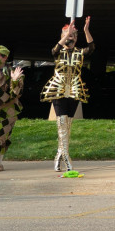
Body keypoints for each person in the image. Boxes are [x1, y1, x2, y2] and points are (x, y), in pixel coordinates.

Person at [40, 16, 93, 174]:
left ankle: (58, 155)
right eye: (69, 34)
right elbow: (54, 50)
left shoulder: (80, 52)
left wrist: (85, 30)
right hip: (58, 89)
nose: (71, 37)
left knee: (67, 126)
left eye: (74, 35)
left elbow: (91, 47)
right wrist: (66, 35)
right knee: (62, 124)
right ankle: (67, 158)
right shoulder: (58, 52)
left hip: (75, 90)